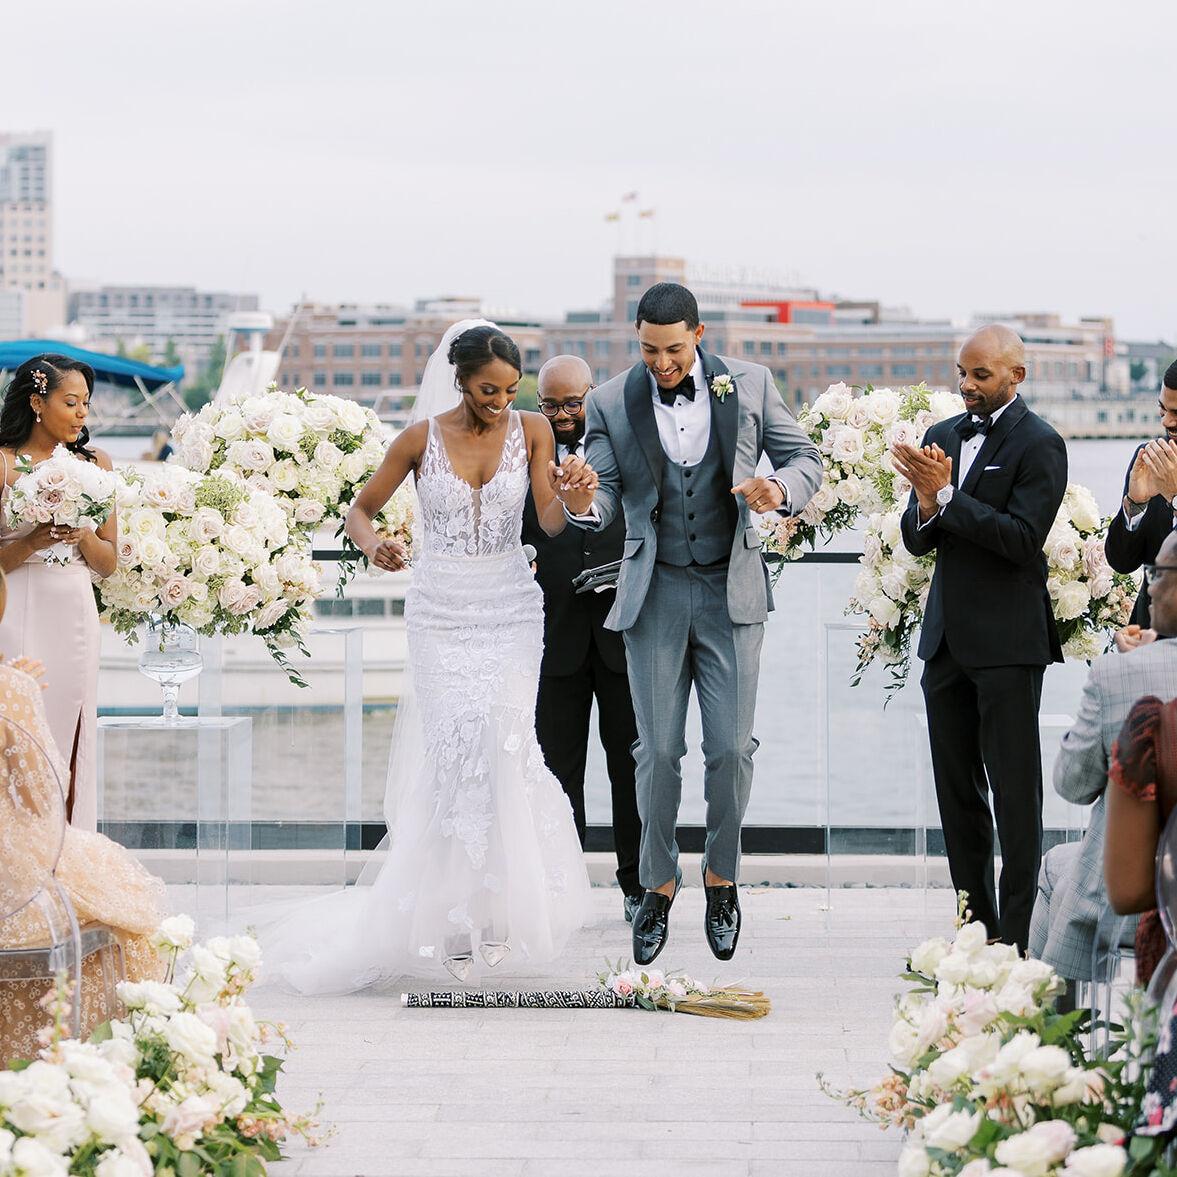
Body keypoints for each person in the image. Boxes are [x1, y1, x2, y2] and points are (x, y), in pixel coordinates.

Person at [264, 322, 593, 992]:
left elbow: (551, 521)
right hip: (438, 609)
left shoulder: (532, 429)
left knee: (503, 747)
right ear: (460, 380)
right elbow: (358, 512)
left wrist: (577, 500)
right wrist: (373, 544)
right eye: (486, 389)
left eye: (509, 389)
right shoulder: (417, 440)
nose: (500, 400)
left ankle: (498, 909)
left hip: (509, 606)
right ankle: (447, 918)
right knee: (451, 759)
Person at [554, 282, 822, 965]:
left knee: (730, 749)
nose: (662, 363)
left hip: (731, 588)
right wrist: (584, 498)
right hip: (654, 591)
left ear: (698, 335)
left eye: (673, 349)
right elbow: (605, 497)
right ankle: (657, 881)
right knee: (656, 752)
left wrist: (778, 490)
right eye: (648, 349)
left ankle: (722, 879)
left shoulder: (752, 385)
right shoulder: (611, 399)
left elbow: (805, 460)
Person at [893, 324, 1068, 952]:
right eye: (961, 374)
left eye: (980, 375)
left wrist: (946, 496)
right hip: (946, 646)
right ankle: (973, 936)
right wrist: (923, 502)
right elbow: (919, 541)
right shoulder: (941, 437)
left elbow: (1022, 539)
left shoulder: (1042, 444)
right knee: (957, 797)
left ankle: (1018, 947)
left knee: (1017, 801)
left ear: (1016, 376)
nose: (966, 385)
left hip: (1008, 646)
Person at [0, 568, 167, 1061]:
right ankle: (77, 1057)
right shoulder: (11, 689)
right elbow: (44, 796)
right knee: (122, 905)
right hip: (9, 881)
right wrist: (19, 696)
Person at [521, 355, 643, 923]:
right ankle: (561, 888)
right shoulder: (521, 455)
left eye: (574, 402)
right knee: (556, 773)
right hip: (553, 639)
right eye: (551, 404)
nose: (564, 414)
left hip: (626, 635)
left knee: (634, 770)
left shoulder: (626, 444)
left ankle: (640, 888)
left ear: (593, 396)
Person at [1030, 533, 1177, 1003]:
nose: (1149, 589)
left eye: (1158, 574)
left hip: (1139, 900)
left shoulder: (1120, 676)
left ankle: (1052, 1044)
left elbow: (1072, 785)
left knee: (1056, 866)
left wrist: (1134, 672)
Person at [0, 355, 118, 833]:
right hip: (12, 604)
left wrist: (80, 534)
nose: (82, 413)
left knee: (69, 726)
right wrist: (31, 540)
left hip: (73, 611)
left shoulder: (96, 464)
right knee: (18, 728)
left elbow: (108, 563)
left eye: (86, 403)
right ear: (36, 402)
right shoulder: (3, 463)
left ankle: (68, 854)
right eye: (71, 402)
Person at [1106, 359, 1177, 628]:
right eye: (1162, 409)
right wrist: (1135, 505)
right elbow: (1122, 562)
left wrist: (1174, 497)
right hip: (1149, 638)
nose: (1167, 421)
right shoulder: (1150, 458)